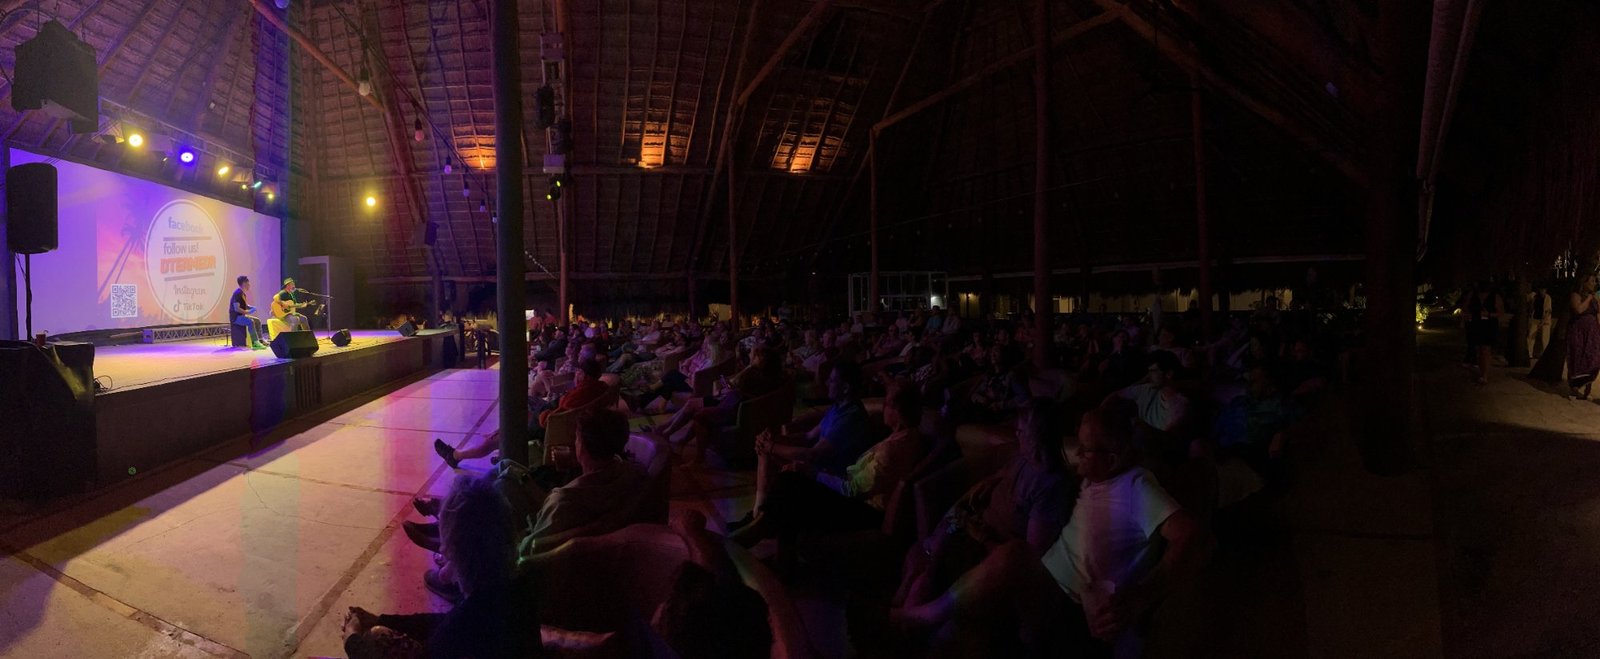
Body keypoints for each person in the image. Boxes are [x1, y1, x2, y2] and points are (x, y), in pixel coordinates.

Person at [892, 410, 1213, 658]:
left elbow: (1193, 536)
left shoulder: (1134, 486)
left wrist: (1141, 596)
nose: (1078, 455)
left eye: (1085, 449)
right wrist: (982, 486)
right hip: (970, 533)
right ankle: (901, 621)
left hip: (1063, 607)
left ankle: (918, 621)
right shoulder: (1060, 470)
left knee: (977, 560)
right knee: (922, 552)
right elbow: (1005, 473)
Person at [893, 400, 1072, 609]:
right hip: (972, 526)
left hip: (987, 547)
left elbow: (1027, 559)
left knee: (933, 562)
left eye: (1022, 431)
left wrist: (984, 537)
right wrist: (990, 481)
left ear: (1038, 438)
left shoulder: (1052, 487)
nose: (1016, 434)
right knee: (920, 550)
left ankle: (905, 614)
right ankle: (904, 599)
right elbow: (1004, 473)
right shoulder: (1025, 458)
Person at [343, 473, 540, 656]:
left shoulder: (458, 631)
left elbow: (445, 631)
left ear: (455, 555)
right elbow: (443, 621)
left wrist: (351, 641)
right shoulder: (518, 593)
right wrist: (381, 620)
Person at [729, 385, 927, 548]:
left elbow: (852, 490)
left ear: (898, 411)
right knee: (791, 482)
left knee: (790, 483)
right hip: (854, 496)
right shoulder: (905, 437)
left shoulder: (893, 449)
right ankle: (763, 526)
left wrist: (814, 473)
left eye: (887, 403)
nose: (883, 406)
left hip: (865, 512)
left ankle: (758, 527)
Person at [521, 408, 649, 551]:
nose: (575, 442)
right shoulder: (634, 474)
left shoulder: (562, 501)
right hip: (604, 554)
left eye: (577, 438)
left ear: (582, 446)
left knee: (508, 474)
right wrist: (579, 461)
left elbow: (529, 548)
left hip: (552, 561)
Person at [655, 346, 791, 462]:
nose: (749, 353)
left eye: (752, 353)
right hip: (731, 400)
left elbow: (732, 385)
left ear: (758, 359)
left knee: (693, 406)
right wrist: (725, 383)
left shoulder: (751, 374)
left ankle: (668, 433)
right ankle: (667, 431)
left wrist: (724, 381)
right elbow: (733, 385)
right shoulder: (767, 375)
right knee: (692, 403)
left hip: (729, 403)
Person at [1463, 282, 1504, 385]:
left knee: (1485, 349)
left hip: (1489, 325)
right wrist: (1468, 315)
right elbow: (1465, 307)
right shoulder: (1472, 295)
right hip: (1475, 324)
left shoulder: (1495, 296)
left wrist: (1489, 314)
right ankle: (1481, 369)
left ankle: (1484, 374)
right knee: (1478, 349)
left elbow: (1500, 312)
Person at [1569, 274, 1600, 399]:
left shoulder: (1595, 298)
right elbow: (1579, 310)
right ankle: (1575, 389)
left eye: (1595, 281)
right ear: (1584, 282)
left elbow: (1598, 314)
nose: (1594, 283)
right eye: (1592, 281)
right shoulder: (1576, 295)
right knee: (1578, 357)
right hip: (1579, 332)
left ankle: (1588, 387)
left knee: (1593, 358)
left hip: (1593, 332)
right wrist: (1589, 298)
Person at [228, 275, 267, 350]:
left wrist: (251, 307)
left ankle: (260, 339)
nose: (249, 285)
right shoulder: (237, 293)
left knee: (257, 321)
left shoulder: (243, 294)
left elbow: (245, 305)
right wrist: (248, 312)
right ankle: (255, 342)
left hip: (241, 316)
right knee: (250, 322)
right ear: (244, 283)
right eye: (248, 283)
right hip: (235, 317)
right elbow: (237, 308)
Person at [1528, 285, 1553, 361]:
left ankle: (1545, 355)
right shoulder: (1534, 296)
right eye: (1541, 289)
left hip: (1545, 321)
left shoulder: (1547, 298)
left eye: (1544, 290)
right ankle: (1529, 353)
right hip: (1535, 319)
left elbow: (1548, 310)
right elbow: (1530, 306)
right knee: (1531, 337)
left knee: (1545, 338)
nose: (1542, 291)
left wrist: (1543, 321)